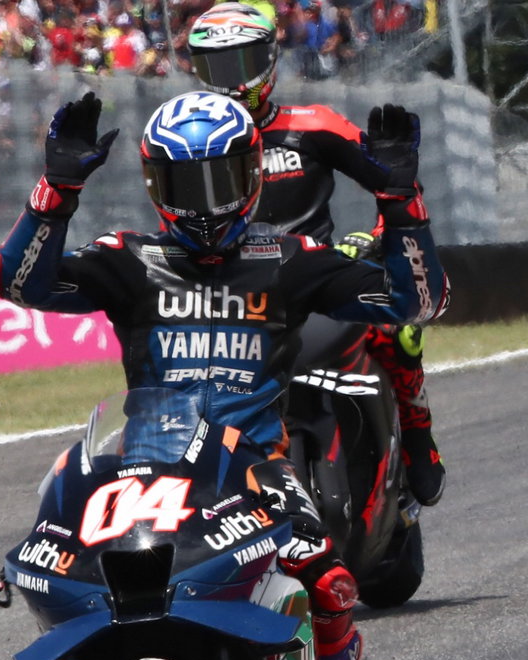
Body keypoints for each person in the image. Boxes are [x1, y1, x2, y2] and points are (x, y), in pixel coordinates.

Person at [0, 90, 449, 660]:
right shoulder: (129, 259)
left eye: (220, 180)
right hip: (146, 465)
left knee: (327, 580)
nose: (204, 205)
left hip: (255, 468)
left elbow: (415, 303)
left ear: (254, 174)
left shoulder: (290, 257)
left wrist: (398, 200)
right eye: (184, 185)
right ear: (153, 186)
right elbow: (15, 282)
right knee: (60, 571)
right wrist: (58, 189)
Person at [187, 1, 447, 506]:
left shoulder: (315, 124)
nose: (231, 80)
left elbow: (394, 187)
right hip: (233, 299)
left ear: (268, 59)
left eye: (241, 63)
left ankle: (418, 436)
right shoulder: (189, 139)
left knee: (401, 326)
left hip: (318, 281)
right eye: (215, 67)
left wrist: (372, 238)